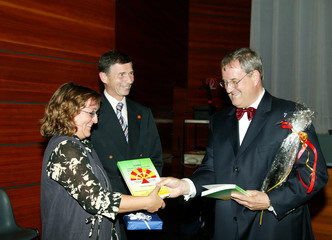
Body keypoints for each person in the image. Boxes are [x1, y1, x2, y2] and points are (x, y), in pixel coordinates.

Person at [159, 48, 329, 240]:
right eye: (225, 82)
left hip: (275, 228)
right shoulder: (219, 120)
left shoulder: (292, 115)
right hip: (227, 227)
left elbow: (313, 174)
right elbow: (211, 169)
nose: (228, 89)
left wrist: (269, 200)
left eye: (234, 81)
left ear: (255, 76)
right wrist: (185, 185)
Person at [40, 82, 165, 240]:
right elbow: (97, 200)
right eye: (91, 113)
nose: (96, 120)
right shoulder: (66, 148)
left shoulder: (80, 144)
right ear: (69, 112)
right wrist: (146, 202)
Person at [90, 50, 164, 239]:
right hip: (109, 205)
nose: (129, 80)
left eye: (131, 73)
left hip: (141, 203)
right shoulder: (91, 113)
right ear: (103, 77)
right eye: (121, 74)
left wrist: (148, 193)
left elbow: (155, 157)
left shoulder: (143, 112)